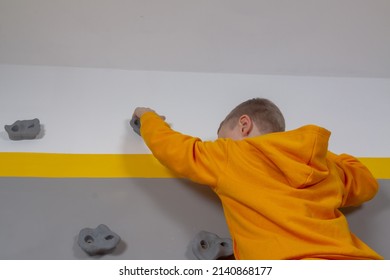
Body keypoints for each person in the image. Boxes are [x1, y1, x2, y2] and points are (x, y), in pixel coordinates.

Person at [132, 98, 383, 260]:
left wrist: (147, 117)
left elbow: (174, 149)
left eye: (223, 138)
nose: (220, 145)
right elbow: (367, 184)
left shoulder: (234, 154)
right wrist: (318, 154)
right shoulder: (325, 167)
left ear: (244, 125)